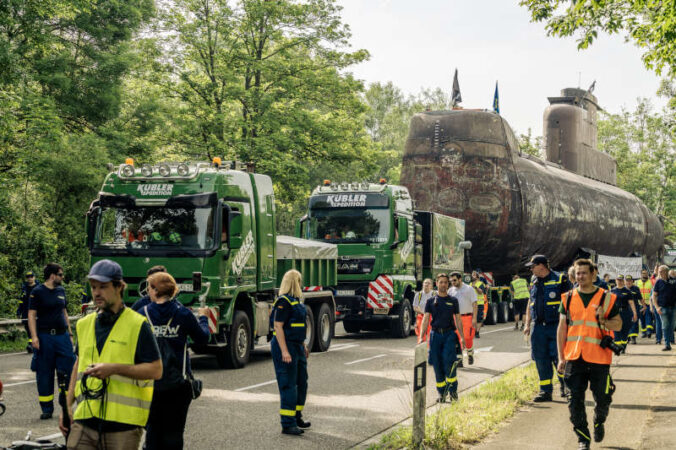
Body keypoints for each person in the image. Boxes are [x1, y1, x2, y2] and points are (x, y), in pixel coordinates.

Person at [60, 259, 163, 450]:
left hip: (123, 426)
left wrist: (114, 369)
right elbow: (78, 364)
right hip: (85, 420)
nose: (97, 292)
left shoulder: (137, 324)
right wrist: (67, 405)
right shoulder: (84, 324)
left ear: (119, 287)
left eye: (103, 287)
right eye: (93, 287)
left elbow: (156, 370)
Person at [557, 258, 621, 450]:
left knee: (602, 397)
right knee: (574, 399)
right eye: (577, 273)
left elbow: (618, 324)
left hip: (599, 357)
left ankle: (599, 421)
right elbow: (562, 329)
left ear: (593, 274)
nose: (580, 277)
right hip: (574, 357)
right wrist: (561, 358)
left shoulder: (607, 298)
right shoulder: (567, 298)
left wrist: (603, 321)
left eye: (584, 273)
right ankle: (583, 438)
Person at [141, 271, 210, 450]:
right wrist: (203, 318)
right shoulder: (183, 314)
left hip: (150, 384)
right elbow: (203, 338)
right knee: (174, 433)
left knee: (153, 432)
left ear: (155, 290)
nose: (148, 291)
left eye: (149, 287)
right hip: (177, 384)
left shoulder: (143, 314)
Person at [28, 263, 75, 419]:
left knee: (67, 370)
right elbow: (31, 315)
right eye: (60, 275)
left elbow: (64, 312)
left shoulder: (61, 291)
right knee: (44, 373)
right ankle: (47, 408)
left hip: (62, 337)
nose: (62, 277)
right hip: (45, 337)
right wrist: (34, 337)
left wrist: (69, 333)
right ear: (52, 275)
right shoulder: (38, 292)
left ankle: (66, 404)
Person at [523, 254, 572, 401]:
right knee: (540, 359)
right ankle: (545, 391)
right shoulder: (533, 281)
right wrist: (527, 324)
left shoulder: (560, 279)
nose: (531, 269)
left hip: (556, 326)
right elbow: (530, 302)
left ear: (541, 266)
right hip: (538, 328)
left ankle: (566, 387)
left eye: (533, 266)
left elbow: (570, 302)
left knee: (559, 357)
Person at [270, 269, 311, 436]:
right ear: (295, 282)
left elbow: (297, 326)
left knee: (302, 382)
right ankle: (287, 423)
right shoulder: (283, 302)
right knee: (288, 384)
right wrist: (284, 351)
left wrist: (303, 344)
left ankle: (296, 416)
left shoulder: (296, 301)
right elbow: (278, 326)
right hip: (285, 346)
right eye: (299, 281)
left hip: (297, 346)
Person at [418, 273, 467, 403]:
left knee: (449, 364)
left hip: (449, 335)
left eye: (446, 282)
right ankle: (442, 393)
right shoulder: (430, 302)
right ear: (437, 284)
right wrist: (421, 337)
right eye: (441, 282)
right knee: (437, 365)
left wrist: (462, 337)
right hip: (435, 336)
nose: (443, 284)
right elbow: (425, 319)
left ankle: (453, 391)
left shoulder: (453, 301)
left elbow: (458, 319)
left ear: (448, 284)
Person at [449, 272, 477, 365]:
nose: (453, 282)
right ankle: (459, 359)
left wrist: (474, 318)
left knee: (467, 338)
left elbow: (475, 304)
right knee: (457, 338)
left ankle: (470, 353)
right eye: (451, 281)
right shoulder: (451, 291)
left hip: (467, 317)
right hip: (455, 318)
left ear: (460, 279)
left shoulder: (469, 289)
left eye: (454, 280)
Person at [610, 275, 637, 353]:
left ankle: (623, 346)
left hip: (625, 313)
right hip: (615, 313)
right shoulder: (612, 291)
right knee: (616, 330)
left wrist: (634, 313)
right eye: (618, 280)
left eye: (621, 280)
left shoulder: (627, 291)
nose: (620, 281)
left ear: (623, 281)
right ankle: (618, 348)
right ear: (616, 281)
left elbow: (631, 303)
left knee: (624, 331)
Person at [653, 265, 675, 350]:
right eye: (659, 271)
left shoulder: (673, 281)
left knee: (672, 326)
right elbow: (654, 296)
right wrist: (657, 307)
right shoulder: (658, 282)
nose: (660, 273)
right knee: (665, 326)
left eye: (661, 271)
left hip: (673, 308)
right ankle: (667, 344)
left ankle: (669, 340)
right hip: (662, 308)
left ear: (666, 271)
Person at [17, 270, 40, 353]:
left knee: (35, 328)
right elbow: (21, 301)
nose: (30, 278)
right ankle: (31, 343)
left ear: (34, 277)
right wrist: (19, 311)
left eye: (31, 277)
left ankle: (32, 344)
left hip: (36, 312)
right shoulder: (24, 288)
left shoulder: (39, 288)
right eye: (28, 277)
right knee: (28, 327)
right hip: (26, 312)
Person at [636, 269, 654, 338]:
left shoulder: (651, 282)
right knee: (642, 318)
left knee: (648, 317)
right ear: (641, 274)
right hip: (639, 303)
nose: (644, 274)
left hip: (648, 303)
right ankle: (644, 332)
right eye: (643, 273)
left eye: (646, 273)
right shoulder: (637, 282)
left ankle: (649, 331)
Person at [625, 275, 642, 344]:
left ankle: (633, 338)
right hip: (626, 309)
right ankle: (627, 337)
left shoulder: (636, 288)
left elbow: (640, 298)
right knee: (626, 323)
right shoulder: (622, 289)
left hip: (635, 308)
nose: (628, 282)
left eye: (630, 281)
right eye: (627, 281)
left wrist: (644, 306)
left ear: (632, 281)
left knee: (635, 323)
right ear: (625, 282)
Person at [470, 271, 488, 338]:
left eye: (474, 275)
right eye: (472, 275)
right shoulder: (470, 284)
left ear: (477, 276)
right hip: (471, 304)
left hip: (479, 304)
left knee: (479, 319)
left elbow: (481, 292)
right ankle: (473, 331)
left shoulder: (481, 283)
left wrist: (476, 288)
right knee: (472, 318)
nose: (472, 276)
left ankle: (477, 332)